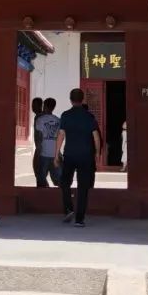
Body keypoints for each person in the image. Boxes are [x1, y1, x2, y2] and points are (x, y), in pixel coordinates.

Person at [53, 88, 101, 228]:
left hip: (70, 155)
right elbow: (96, 137)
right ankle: (79, 220)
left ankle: (69, 208)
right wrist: (97, 153)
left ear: (70, 99)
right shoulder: (89, 116)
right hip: (86, 156)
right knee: (83, 187)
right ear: (83, 99)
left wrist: (56, 154)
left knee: (64, 182)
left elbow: (61, 135)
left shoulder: (66, 115)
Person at [34, 97, 61, 187]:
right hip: (55, 154)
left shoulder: (40, 120)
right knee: (59, 181)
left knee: (41, 180)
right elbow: (60, 137)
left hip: (43, 154)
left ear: (44, 106)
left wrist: (37, 154)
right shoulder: (58, 120)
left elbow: (39, 138)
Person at [31, 97, 44, 186]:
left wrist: (39, 148)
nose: (33, 107)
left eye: (35, 105)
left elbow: (40, 134)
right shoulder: (38, 116)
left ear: (40, 106)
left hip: (40, 148)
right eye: (32, 104)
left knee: (38, 170)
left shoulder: (40, 117)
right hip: (39, 147)